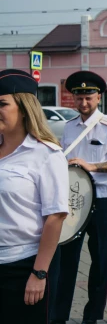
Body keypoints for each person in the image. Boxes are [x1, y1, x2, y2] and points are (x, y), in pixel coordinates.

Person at [51, 71, 107, 324]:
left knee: (100, 262)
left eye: (88, 97)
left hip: (102, 201)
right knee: (66, 261)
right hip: (73, 201)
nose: (83, 103)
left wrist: (92, 167)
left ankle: (92, 317)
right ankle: (58, 316)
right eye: (79, 98)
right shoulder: (69, 126)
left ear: (99, 97)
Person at [0, 69, 69, 324]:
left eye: (2, 104)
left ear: (25, 107)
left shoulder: (46, 154)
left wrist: (39, 273)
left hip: (24, 265)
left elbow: (55, 217)